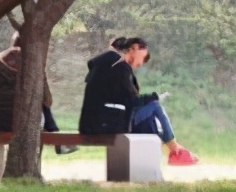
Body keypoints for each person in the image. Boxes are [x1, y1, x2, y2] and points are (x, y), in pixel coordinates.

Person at [78, 36, 198, 165]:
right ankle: (174, 149)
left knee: (150, 117)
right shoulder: (119, 67)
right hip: (105, 124)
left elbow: (123, 99)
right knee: (154, 106)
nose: (140, 64)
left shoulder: (106, 66)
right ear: (134, 48)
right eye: (141, 58)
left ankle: (170, 152)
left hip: (93, 123)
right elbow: (131, 101)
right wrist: (153, 97)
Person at [0, 33, 77, 154]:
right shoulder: (31, 61)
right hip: (22, 121)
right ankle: (57, 139)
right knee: (42, 105)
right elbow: (48, 100)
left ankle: (57, 140)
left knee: (33, 103)